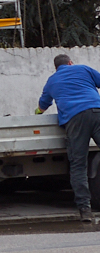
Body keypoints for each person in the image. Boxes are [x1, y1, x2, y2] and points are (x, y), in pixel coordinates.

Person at [36, 53, 100, 223]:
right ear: (71, 63)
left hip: (75, 120)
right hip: (97, 112)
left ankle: (85, 210)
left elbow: (43, 105)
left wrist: (37, 113)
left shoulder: (52, 80)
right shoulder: (83, 69)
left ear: (56, 68)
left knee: (78, 165)